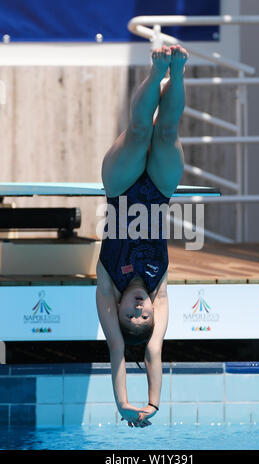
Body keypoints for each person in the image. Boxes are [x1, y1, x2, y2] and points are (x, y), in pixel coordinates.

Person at [96, 45, 188, 428]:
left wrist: (122, 405)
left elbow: (119, 348)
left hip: (120, 187)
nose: (139, 309)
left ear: (117, 312)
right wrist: (152, 402)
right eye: (144, 315)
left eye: (130, 315)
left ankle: (155, 73)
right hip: (159, 192)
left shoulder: (108, 282)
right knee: (165, 134)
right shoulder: (159, 289)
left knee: (138, 133)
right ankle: (177, 74)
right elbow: (153, 349)